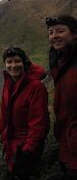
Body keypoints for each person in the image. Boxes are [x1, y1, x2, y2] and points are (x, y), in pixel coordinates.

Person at [0, 47, 50, 180]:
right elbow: (5, 113)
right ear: (5, 64)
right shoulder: (9, 83)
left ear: (25, 63)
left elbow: (38, 123)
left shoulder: (36, 87)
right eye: (9, 62)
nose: (13, 65)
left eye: (17, 61)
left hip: (27, 147)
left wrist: (28, 150)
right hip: (11, 146)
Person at [45, 15, 77, 179]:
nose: (54, 36)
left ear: (74, 34)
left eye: (60, 31)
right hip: (66, 146)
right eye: (51, 32)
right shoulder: (59, 65)